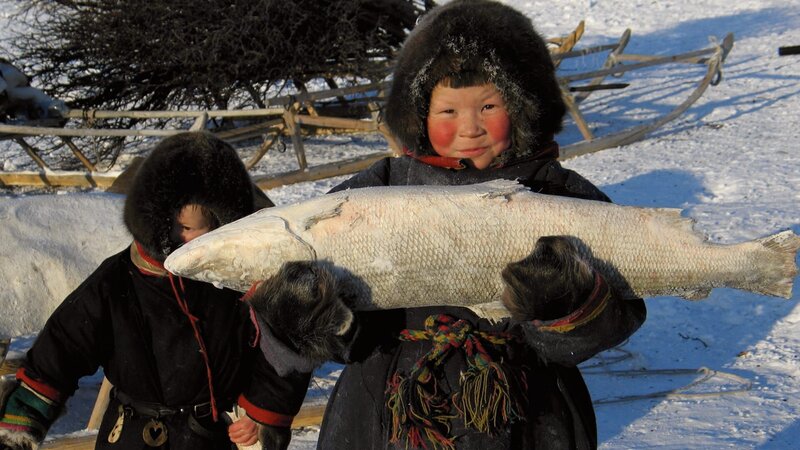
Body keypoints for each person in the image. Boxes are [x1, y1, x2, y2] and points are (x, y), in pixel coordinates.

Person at [250, 1, 647, 449]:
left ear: (523, 107)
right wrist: (314, 313)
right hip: (386, 407)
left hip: (523, 410)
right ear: (418, 115)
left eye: (489, 105)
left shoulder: (558, 195)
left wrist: (562, 301)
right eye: (448, 112)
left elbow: (615, 309)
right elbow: (324, 300)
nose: (470, 127)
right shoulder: (377, 191)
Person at [0, 131, 309, 450]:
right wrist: (22, 416)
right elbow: (64, 344)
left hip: (210, 436)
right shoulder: (119, 279)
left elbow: (284, 343)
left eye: (197, 228)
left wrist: (261, 412)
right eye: (177, 226)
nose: (183, 238)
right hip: (132, 434)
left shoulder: (239, 277)